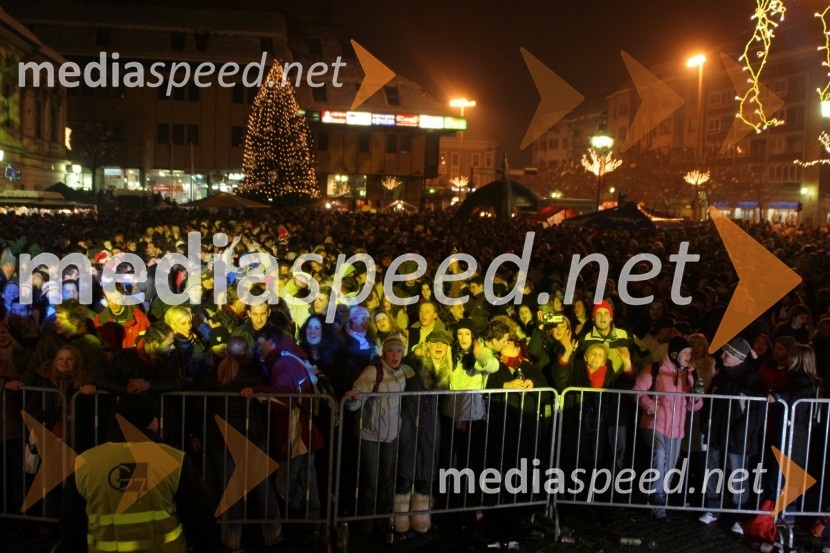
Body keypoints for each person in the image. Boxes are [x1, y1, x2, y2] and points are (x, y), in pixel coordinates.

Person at [58, 394, 216, 552]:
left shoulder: (86, 463)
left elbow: (71, 521)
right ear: (150, 421)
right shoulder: (174, 460)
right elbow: (200, 516)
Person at [345, 334, 412, 533]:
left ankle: (383, 521)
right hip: (370, 435)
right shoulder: (373, 372)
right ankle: (366, 524)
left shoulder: (403, 373)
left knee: (387, 481)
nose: (395, 355)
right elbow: (355, 402)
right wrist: (352, 399)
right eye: (391, 351)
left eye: (398, 351)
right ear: (384, 353)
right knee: (370, 483)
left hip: (391, 435)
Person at [632, 337, 703, 520]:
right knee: (659, 453)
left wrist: (696, 398)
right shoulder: (655, 369)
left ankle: (658, 505)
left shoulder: (691, 375)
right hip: (654, 422)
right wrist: (649, 404)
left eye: (690, 353)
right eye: (686, 352)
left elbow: (693, 406)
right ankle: (656, 495)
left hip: (676, 427)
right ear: (674, 354)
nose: (689, 356)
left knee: (670, 466)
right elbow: (637, 389)